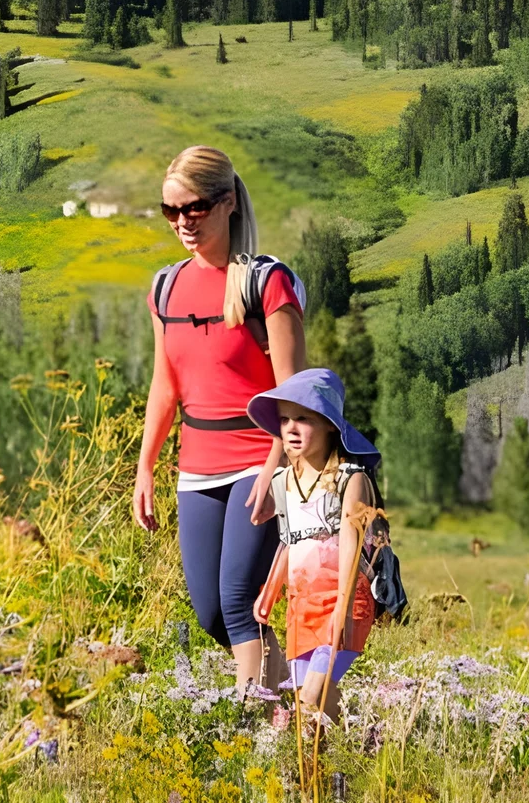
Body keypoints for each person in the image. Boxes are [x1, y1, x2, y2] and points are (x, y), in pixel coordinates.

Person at [132, 145, 307, 693]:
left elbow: (294, 394)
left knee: (238, 600)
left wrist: (275, 471)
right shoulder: (165, 287)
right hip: (198, 467)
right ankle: (294, 693)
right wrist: (145, 468)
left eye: (195, 208)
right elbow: (165, 385)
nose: (182, 222)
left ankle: (250, 717)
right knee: (210, 612)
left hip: (260, 459)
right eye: (170, 211)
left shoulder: (266, 283)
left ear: (228, 202)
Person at [248, 368, 384, 722]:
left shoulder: (350, 480)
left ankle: (326, 768)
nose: (291, 428)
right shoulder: (283, 482)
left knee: (310, 697)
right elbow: (290, 540)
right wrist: (271, 590)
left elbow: (353, 552)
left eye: (304, 418)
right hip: (302, 608)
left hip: (345, 601)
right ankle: (340, 767)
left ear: (328, 424)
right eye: (285, 419)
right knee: (314, 706)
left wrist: (341, 612)